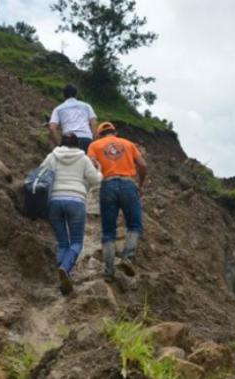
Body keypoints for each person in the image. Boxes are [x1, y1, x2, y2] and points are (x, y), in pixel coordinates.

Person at [39, 135, 102, 294]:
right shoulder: (83, 158)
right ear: (77, 144)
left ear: (61, 143)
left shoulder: (52, 156)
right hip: (76, 201)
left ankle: (63, 277)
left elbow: (40, 174)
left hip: (54, 201)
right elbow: (96, 180)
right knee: (76, 242)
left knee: (62, 243)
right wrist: (99, 170)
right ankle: (65, 269)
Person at [87, 122, 147, 281]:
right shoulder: (128, 144)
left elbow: (90, 165)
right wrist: (140, 185)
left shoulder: (94, 145)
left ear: (100, 135)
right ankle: (127, 257)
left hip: (107, 185)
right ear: (115, 133)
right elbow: (142, 165)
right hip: (128, 184)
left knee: (108, 231)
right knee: (134, 225)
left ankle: (109, 272)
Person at [48, 84, 97, 151]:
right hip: (86, 138)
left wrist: (59, 144)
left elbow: (52, 127)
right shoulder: (86, 106)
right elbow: (94, 123)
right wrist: (93, 140)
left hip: (68, 141)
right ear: (76, 94)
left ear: (63, 95)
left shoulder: (58, 109)